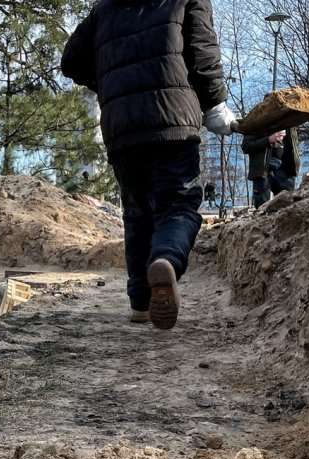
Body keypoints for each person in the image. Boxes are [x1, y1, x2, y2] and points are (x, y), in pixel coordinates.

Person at [61, 0, 237, 330]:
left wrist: (112, 84)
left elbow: (71, 60)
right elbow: (203, 53)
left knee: (136, 210)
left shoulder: (105, 8)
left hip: (121, 126)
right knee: (179, 204)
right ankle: (165, 260)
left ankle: (140, 302)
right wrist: (214, 105)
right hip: (172, 118)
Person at [242, 127, 299, 209]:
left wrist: (295, 165)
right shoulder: (256, 121)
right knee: (262, 209)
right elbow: (246, 146)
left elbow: (294, 144)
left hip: (286, 169)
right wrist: (268, 139)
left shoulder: (290, 118)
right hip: (262, 169)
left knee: (288, 207)